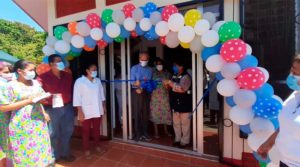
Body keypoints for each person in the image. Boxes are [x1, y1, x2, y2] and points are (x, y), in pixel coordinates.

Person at [0, 60, 53, 166]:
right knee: (24, 154)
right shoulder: (10, 86)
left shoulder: (35, 84)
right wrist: (28, 101)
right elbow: (3, 107)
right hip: (22, 126)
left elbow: (40, 99)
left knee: (39, 150)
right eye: (30, 70)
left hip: (38, 124)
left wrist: (43, 105)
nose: (33, 72)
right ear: (20, 71)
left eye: (34, 70)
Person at [257, 54, 300, 167]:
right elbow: (288, 124)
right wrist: (269, 142)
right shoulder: (295, 95)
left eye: (295, 73)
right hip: (285, 161)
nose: (291, 75)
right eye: (292, 69)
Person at [38, 54, 75, 162]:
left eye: (61, 61)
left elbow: (72, 91)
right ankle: (54, 156)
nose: (61, 63)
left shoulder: (67, 75)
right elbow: (37, 93)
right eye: (58, 61)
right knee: (53, 133)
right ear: (51, 64)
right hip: (52, 109)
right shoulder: (42, 77)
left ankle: (65, 153)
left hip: (67, 107)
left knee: (67, 131)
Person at [73, 63, 106, 159]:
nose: (95, 71)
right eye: (93, 69)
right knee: (86, 131)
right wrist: (80, 111)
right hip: (85, 110)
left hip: (97, 108)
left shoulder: (98, 81)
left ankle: (97, 146)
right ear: (87, 71)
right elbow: (77, 97)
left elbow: (101, 94)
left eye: (96, 69)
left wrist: (103, 106)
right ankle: (86, 149)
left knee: (96, 130)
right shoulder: (80, 81)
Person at [164, 59, 192, 148]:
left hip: (184, 104)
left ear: (181, 66)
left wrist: (170, 83)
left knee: (185, 124)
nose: (174, 67)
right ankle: (178, 139)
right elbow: (171, 87)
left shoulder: (186, 77)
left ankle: (185, 141)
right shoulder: (174, 75)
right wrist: (166, 85)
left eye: (176, 65)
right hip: (175, 103)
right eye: (174, 66)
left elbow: (182, 89)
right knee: (176, 123)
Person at [130, 51, 153, 142]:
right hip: (136, 92)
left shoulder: (150, 69)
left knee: (145, 114)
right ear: (139, 59)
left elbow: (149, 81)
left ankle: (145, 133)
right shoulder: (134, 68)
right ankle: (137, 134)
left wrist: (142, 87)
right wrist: (137, 85)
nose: (144, 60)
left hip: (145, 92)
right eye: (142, 59)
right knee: (137, 113)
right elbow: (132, 81)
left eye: (146, 59)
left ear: (148, 59)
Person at [150, 58, 172, 139]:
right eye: (157, 64)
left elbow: (170, 86)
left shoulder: (167, 74)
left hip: (164, 97)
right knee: (155, 113)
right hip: (155, 97)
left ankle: (166, 130)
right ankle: (156, 131)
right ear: (155, 66)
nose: (159, 66)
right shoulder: (153, 74)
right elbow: (150, 85)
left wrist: (167, 86)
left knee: (165, 113)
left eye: (160, 64)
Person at [0, 61, 13, 167]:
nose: (9, 74)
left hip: (5, 116)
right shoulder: (2, 85)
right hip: (3, 117)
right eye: (6, 72)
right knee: (4, 142)